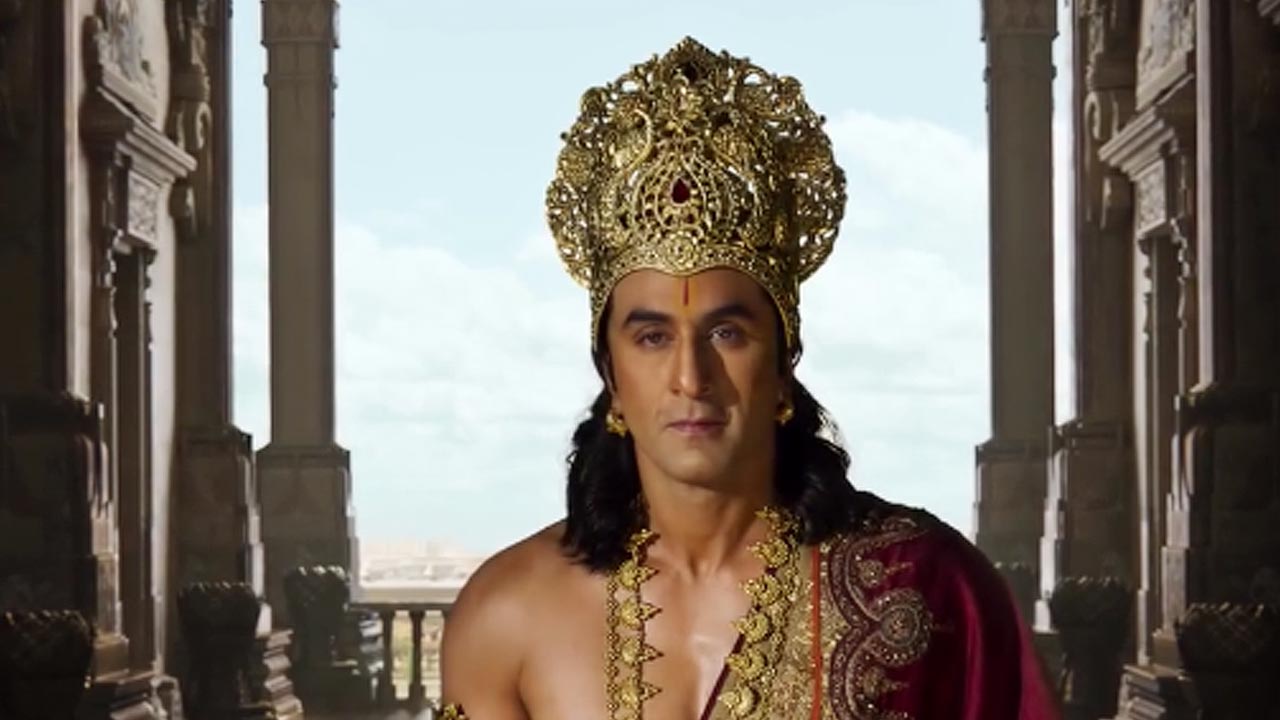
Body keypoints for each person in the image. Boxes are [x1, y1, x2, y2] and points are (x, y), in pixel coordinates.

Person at [439, 37, 1060, 720]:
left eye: (726, 334)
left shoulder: (927, 589)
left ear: (784, 363)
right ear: (610, 374)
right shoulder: (506, 618)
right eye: (652, 338)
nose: (690, 377)